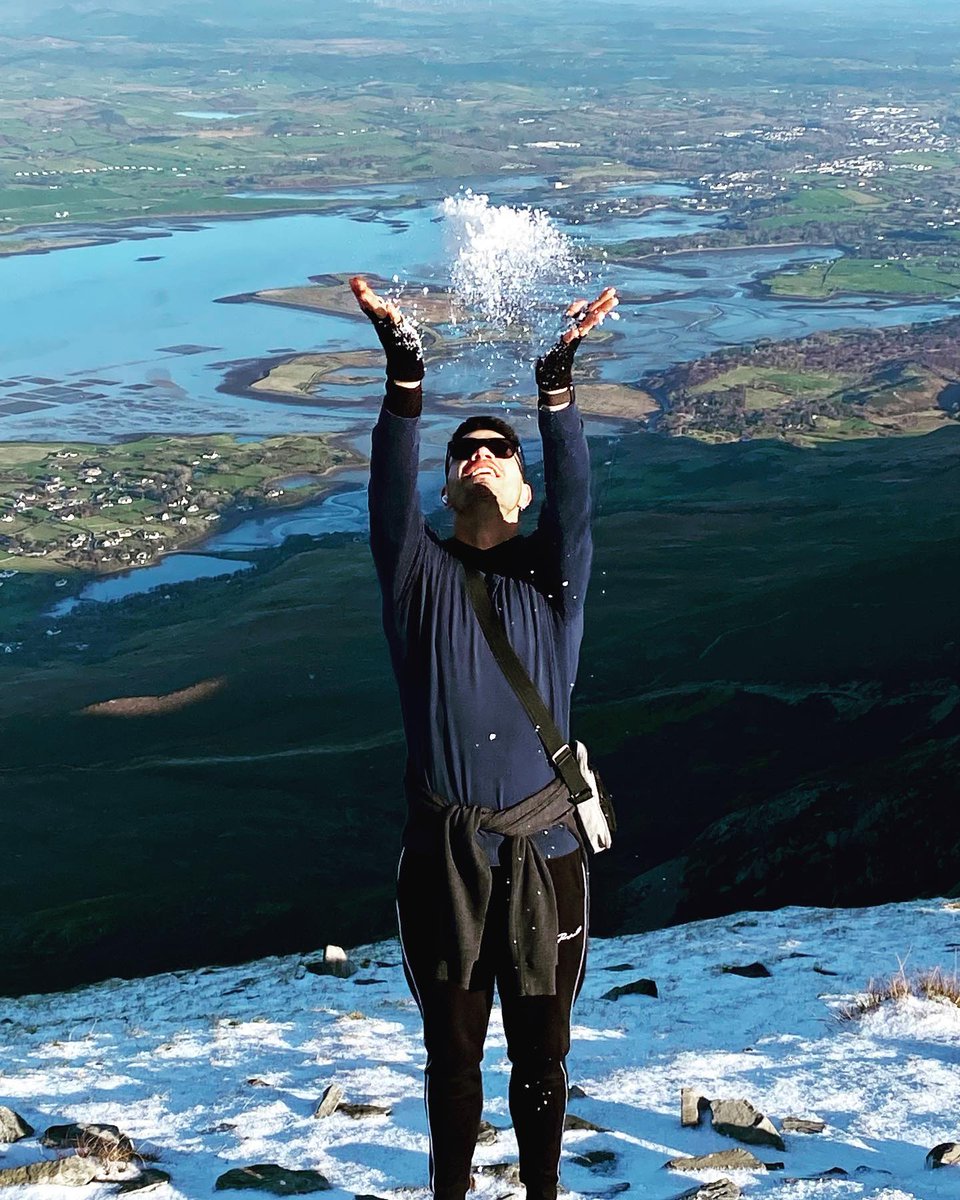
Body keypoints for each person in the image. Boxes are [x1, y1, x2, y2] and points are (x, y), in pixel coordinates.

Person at [352, 274, 617, 1200]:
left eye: (499, 449)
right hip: (444, 859)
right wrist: (404, 375)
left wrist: (558, 390)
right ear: (450, 478)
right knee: (452, 1057)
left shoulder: (555, 580)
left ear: (521, 481)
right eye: (466, 449)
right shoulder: (416, 580)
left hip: (549, 853)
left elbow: (578, 502)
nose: (480, 454)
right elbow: (388, 497)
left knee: (543, 1053)